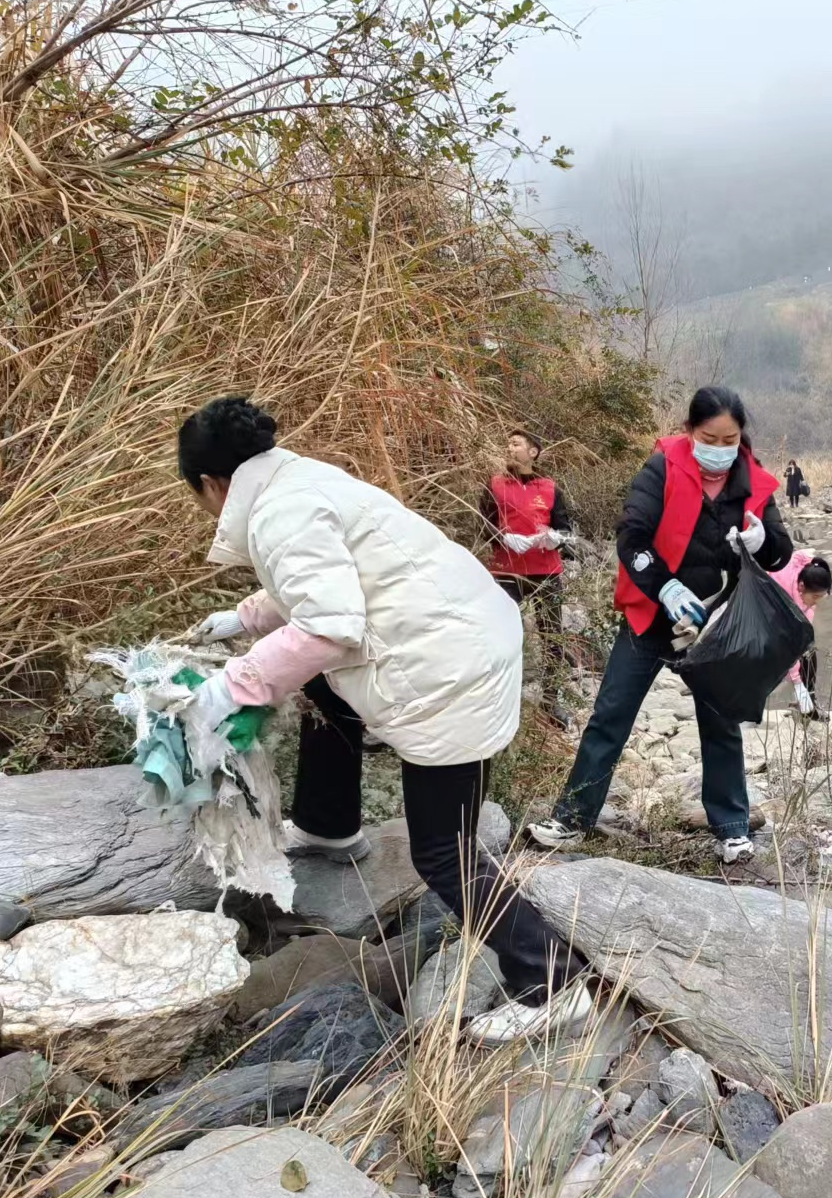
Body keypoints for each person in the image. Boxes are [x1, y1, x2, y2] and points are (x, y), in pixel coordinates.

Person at [177, 395, 587, 1044]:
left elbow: (329, 625)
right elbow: (319, 584)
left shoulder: (281, 510)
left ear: (210, 484)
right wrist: (246, 619)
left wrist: (234, 687)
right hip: (464, 633)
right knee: (326, 687)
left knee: (440, 852)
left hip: (447, 667)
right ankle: (327, 824)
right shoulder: (298, 480)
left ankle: (552, 975)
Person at [527, 386, 794, 864]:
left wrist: (761, 541)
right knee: (611, 713)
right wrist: (666, 587)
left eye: (730, 437)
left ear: (741, 437)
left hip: (716, 625)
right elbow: (632, 535)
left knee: (721, 723)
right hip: (653, 616)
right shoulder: (663, 468)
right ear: (691, 432)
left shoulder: (755, 483)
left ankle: (732, 827)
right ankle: (572, 818)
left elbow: (780, 551)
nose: (720, 447)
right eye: (709, 437)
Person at [481, 430, 572, 717]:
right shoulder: (495, 484)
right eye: (507, 442)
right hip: (506, 571)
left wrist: (554, 538)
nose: (509, 447)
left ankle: (550, 700)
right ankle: (503, 698)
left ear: (533, 452)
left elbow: (566, 528)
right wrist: (503, 538)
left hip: (545, 571)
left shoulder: (550, 488)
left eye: (516, 443)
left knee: (552, 637)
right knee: (503, 635)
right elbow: (483, 523)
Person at [769, 550, 832, 715]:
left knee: (809, 649)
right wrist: (797, 683)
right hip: (762, 614)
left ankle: (811, 702)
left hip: (783, 612)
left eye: (822, 597)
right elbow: (789, 647)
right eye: (815, 597)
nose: (816, 603)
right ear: (801, 587)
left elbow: (802, 637)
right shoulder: (785, 599)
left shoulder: (807, 576)